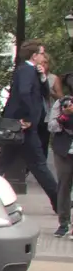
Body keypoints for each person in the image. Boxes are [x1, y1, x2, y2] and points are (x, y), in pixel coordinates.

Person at [0, 41, 60, 211]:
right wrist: (28, 117)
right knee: (38, 164)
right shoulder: (26, 70)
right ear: (34, 55)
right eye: (42, 53)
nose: (44, 57)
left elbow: (44, 94)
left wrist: (43, 77)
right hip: (24, 126)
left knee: (3, 163)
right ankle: (59, 202)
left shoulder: (32, 71)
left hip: (21, 126)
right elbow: (23, 93)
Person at [51, 74, 72, 238]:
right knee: (64, 187)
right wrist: (64, 116)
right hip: (64, 151)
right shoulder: (62, 103)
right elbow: (51, 126)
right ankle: (63, 223)